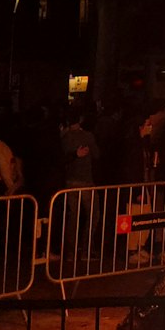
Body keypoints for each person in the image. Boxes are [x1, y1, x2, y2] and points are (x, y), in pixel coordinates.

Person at [60, 107, 102, 262]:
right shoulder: (87, 136)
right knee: (93, 215)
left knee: (73, 217)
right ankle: (87, 249)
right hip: (86, 180)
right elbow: (97, 154)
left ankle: (70, 252)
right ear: (81, 119)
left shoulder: (64, 137)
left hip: (70, 180)